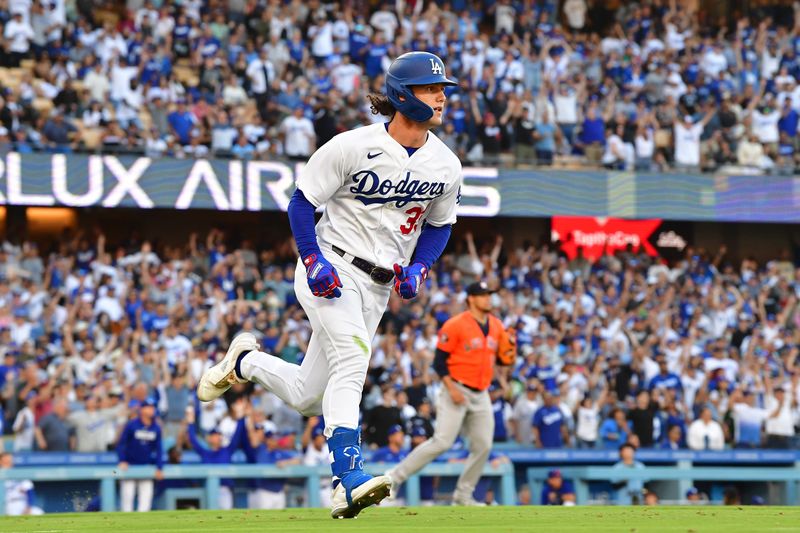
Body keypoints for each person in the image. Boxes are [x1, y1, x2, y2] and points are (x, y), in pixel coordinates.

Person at [196, 51, 462, 519]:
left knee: (306, 395)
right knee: (354, 358)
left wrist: (420, 266)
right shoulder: (350, 146)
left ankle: (245, 361)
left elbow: (440, 225)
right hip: (333, 269)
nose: (441, 95)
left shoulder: (445, 164)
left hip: (379, 286)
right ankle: (347, 476)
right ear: (402, 95)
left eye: (441, 88)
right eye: (429, 88)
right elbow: (302, 204)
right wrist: (312, 258)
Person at [385, 281, 517, 506]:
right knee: (442, 442)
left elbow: (505, 361)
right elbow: (439, 362)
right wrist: (452, 389)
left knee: (483, 445)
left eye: (489, 295)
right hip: (455, 387)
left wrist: (511, 349)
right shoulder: (455, 324)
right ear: (471, 299)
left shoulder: (496, 325)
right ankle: (392, 479)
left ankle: (463, 495)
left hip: (481, 391)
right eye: (483, 295)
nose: (488, 299)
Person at [185, 408, 247, 509]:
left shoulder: (227, 450)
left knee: (226, 517)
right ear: (208, 438)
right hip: (208, 488)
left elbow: (237, 435)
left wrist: (240, 418)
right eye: (214, 435)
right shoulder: (204, 452)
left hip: (225, 489)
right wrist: (190, 423)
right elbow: (193, 440)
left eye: (218, 435)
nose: (217, 437)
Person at [116, 398, 164, 513]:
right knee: (127, 499)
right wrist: (122, 460)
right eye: (148, 407)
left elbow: (159, 449)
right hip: (129, 466)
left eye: (153, 407)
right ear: (142, 409)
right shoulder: (132, 425)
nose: (151, 410)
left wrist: (159, 467)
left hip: (146, 466)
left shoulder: (156, 427)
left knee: (145, 500)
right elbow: (121, 444)